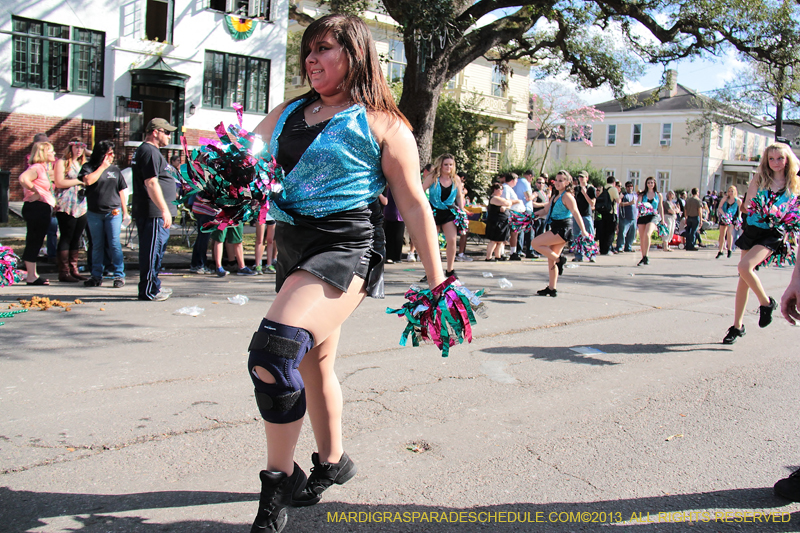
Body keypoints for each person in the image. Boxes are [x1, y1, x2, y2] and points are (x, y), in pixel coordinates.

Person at [247, 14, 446, 533]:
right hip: (293, 249)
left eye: (325, 49)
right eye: (308, 51)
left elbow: (416, 206)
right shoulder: (290, 110)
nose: (312, 60)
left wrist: (439, 279)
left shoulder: (384, 123)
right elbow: (245, 157)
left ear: (356, 56)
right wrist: (221, 176)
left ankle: (278, 482)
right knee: (313, 367)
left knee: (274, 351)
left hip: (346, 248)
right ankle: (333, 464)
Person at [722, 142, 799, 345]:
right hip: (753, 228)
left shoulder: (793, 182)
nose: (775, 162)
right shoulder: (761, 177)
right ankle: (737, 326)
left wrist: (776, 212)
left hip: (773, 233)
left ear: (787, 159)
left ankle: (766, 303)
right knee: (744, 278)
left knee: (744, 267)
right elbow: (747, 205)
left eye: (780, 158)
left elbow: (793, 211)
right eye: (771, 158)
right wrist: (762, 206)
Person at [131, 118, 178, 301]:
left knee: (156, 251)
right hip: (153, 212)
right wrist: (164, 209)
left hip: (155, 212)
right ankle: (148, 290)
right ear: (155, 132)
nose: (169, 136)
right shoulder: (149, 151)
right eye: (166, 132)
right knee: (152, 251)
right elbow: (151, 182)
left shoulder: (152, 152)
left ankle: (153, 286)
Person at [531, 170, 591, 297]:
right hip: (556, 227)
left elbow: (576, 213)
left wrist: (584, 230)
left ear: (567, 182)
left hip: (563, 229)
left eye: (561, 180)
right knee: (551, 259)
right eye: (556, 180)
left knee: (535, 243)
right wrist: (532, 216)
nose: (557, 183)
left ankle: (560, 260)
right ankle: (552, 288)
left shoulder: (567, 196)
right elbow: (546, 210)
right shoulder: (555, 196)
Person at [80, 140, 128, 288]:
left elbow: (121, 190)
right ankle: (96, 275)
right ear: (102, 154)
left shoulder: (115, 170)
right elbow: (88, 181)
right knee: (97, 245)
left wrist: (125, 210)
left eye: (113, 153)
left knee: (114, 243)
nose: (112, 156)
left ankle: (119, 275)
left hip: (113, 211)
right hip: (95, 212)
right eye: (109, 153)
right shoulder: (89, 167)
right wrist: (102, 167)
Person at [18, 142, 57, 285]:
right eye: (51, 151)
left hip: (41, 207)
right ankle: (31, 276)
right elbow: (23, 178)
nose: (54, 154)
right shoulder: (37, 168)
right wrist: (36, 192)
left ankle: (33, 274)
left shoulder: (43, 169)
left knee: (36, 240)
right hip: (37, 208)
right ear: (43, 153)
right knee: (34, 241)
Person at [422, 153, 464, 278]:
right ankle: (432, 271)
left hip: (449, 212)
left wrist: (462, 211)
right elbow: (421, 190)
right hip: (433, 211)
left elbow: (459, 196)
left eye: (451, 165)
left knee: (451, 240)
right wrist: (424, 205)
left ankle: (450, 270)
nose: (448, 167)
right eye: (446, 164)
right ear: (440, 165)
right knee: (432, 242)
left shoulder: (456, 179)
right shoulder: (432, 177)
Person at [53, 138, 89, 282]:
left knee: (77, 237)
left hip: (81, 204)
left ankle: (74, 268)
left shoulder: (83, 163)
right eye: (76, 147)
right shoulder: (62, 163)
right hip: (67, 204)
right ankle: (63, 271)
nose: (79, 150)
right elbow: (59, 182)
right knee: (66, 236)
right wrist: (79, 181)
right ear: (70, 148)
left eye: (82, 148)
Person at [636, 176, 665, 266]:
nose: (650, 184)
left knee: (647, 234)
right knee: (642, 237)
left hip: (653, 216)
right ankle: (643, 256)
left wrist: (662, 219)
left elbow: (660, 207)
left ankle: (647, 255)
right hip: (643, 216)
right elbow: (638, 204)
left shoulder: (658, 195)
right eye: (649, 183)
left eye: (652, 183)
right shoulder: (642, 195)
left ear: (655, 184)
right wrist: (641, 203)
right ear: (646, 184)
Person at [484, 182, 513, 261]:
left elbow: (509, 203)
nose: (502, 191)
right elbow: (508, 202)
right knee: (493, 241)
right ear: (495, 189)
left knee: (500, 241)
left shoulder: (499, 199)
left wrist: (505, 205)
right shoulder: (494, 198)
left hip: (502, 222)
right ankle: (488, 257)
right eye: (501, 189)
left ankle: (498, 256)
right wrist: (507, 203)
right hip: (495, 222)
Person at [571, 170, 596, 262]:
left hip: (586, 215)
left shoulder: (591, 189)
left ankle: (592, 255)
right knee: (577, 236)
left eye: (583, 177)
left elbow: (592, 203)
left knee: (589, 235)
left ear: (587, 178)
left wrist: (584, 193)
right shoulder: (576, 189)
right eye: (580, 177)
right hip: (577, 215)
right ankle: (578, 255)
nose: (581, 178)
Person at [716, 185, 741, 259]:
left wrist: (739, 216)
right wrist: (723, 214)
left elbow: (740, 209)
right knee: (722, 234)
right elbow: (719, 207)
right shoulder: (725, 199)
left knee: (729, 233)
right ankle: (720, 250)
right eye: (729, 191)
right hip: (724, 217)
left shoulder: (738, 200)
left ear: (735, 192)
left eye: (732, 191)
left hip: (732, 218)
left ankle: (729, 249)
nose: (730, 193)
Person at [595, 176, 618, 255]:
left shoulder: (602, 189)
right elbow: (618, 200)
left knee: (603, 231)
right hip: (611, 212)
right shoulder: (613, 189)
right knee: (610, 232)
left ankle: (602, 249)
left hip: (603, 212)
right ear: (614, 182)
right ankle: (607, 249)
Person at [382, 186, 405, 264]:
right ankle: (389, 256)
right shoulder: (389, 187)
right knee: (389, 235)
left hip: (400, 213)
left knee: (398, 236)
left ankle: (397, 257)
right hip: (390, 211)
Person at [616, 181, 637, 253]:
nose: (630, 187)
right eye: (628, 186)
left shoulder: (635, 195)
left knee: (632, 233)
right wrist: (629, 203)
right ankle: (620, 246)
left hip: (633, 217)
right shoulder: (623, 195)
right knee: (622, 233)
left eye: (631, 186)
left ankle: (628, 246)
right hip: (625, 217)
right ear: (626, 187)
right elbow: (619, 203)